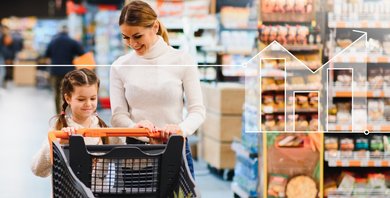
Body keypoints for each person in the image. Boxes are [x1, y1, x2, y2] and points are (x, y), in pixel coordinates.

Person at [110, 0, 205, 179]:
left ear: (154, 27)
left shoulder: (182, 61)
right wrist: (134, 127)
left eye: (137, 36)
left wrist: (180, 129)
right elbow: (118, 115)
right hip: (135, 156)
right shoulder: (119, 66)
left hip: (175, 151)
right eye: (126, 37)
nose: (132, 43)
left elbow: (197, 111)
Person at [31, 68, 124, 177]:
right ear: (68, 98)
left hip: (97, 193)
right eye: (81, 99)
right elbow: (37, 169)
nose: (88, 104)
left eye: (93, 98)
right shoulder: (60, 129)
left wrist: (138, 131)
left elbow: (130, 155)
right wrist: (58, 143)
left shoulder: (102, 129)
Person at [45, 24, 85, 114]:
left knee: (57, 92)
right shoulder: (72, 41)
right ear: (67, 31)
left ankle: (58, 113)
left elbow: (46, 54)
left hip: (55, 71)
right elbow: (82, 53)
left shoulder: (53, 41)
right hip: (68, 71)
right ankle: (68, 111)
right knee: (69, 92)